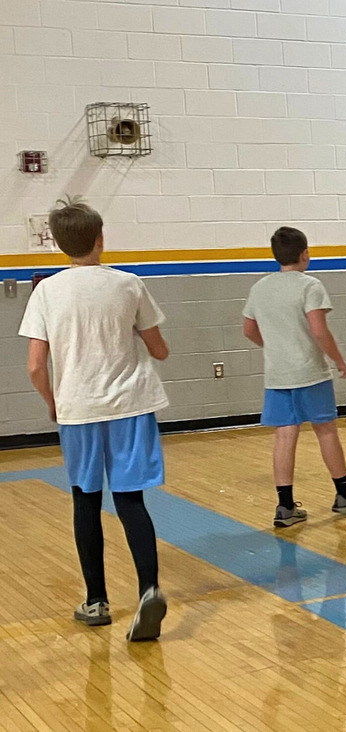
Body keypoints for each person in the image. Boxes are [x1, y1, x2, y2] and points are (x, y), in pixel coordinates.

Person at [19, 196, 169, 641]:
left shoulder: (46, 290)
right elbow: (159, 348)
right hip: (130, 406)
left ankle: (97, 600)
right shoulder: (128, 285)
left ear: (59, 245)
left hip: (78, 410)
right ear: (101, 238)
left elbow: (34, 366)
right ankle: (148, 590)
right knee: (130, 501)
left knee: (85, 501)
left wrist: (53, 401)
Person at [243, 226, 346, 528]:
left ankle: (285, 507)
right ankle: (344, 494)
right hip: (309, 372)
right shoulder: (310, 286)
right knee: (326, 430)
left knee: (284, 437)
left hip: (277, 375)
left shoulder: (259, 288)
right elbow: (318, 330)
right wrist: (338, 359)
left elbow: (248, 330)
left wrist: (275, 347)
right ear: (305, 254)